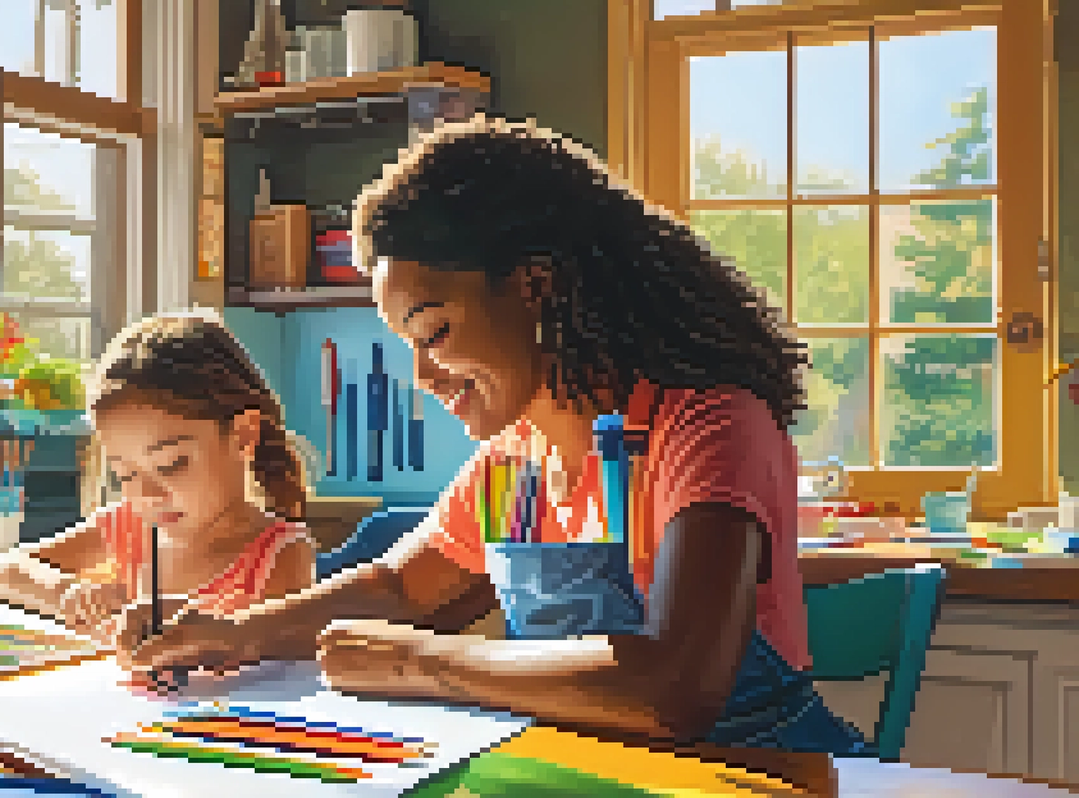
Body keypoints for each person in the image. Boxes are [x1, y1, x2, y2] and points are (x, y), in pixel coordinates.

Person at [116, 115, 869, 754]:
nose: (423, 374)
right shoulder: (516, 459)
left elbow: (676, 688)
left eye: (434, 331)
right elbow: (399, 586)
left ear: (534, 286)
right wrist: (230, 632)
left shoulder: (707, 427)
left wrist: (427, 662)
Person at [0, 312, 317, 653]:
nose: (146, 494)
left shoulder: (280, 556)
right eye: (126, 474)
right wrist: (67, 594)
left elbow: (273, 659)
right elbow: (10, 570)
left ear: (242, 437)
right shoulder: (130, 527)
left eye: (171, 464)